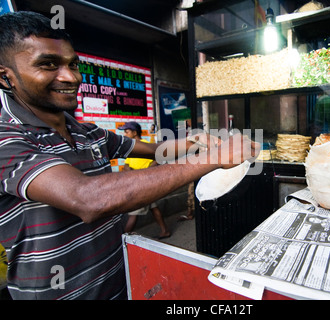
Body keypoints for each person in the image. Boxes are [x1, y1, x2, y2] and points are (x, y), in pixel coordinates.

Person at [0, 11, 259, 300]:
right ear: (4, 76)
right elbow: (87, 198)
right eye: (48, 64)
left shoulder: (88, 132)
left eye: (73, 64)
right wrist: (214, 157)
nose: (70, 76)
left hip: (118, 283)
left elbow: (154, 150)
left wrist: (194, 141)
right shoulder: (6, 137)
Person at [119, 121, 170, 239]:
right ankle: (165, 230)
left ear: (134, 132)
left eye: (127, 132)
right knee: (153, 207)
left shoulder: (146, 145)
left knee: (133, 214)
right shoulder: (130, 148)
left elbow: (157, 160)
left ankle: (122, 240)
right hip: (138, 182)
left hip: (143, 185)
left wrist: (145, 173)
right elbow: (126, 165)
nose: (125, 135)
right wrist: (132, 173)